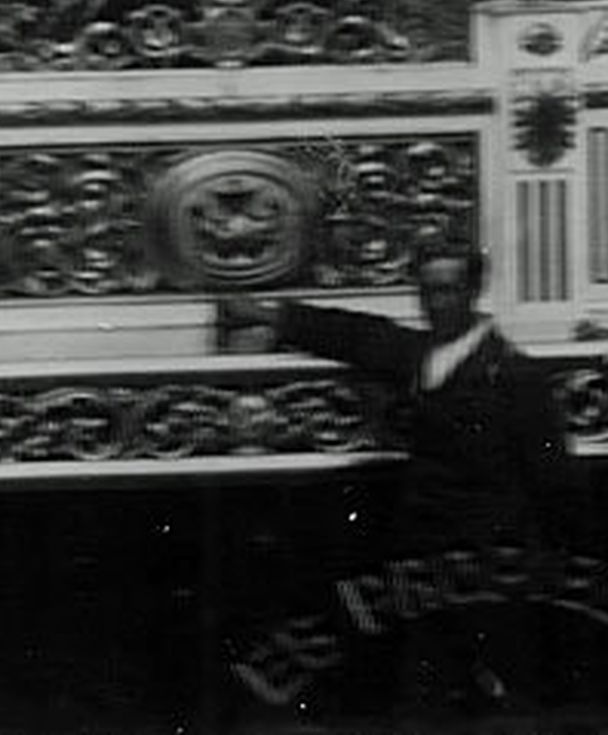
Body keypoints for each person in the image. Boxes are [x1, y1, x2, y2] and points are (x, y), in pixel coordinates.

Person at [239, 237, 568, 711]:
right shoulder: (418, 353)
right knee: (428, 678)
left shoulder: (514, 374)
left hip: (492, 556)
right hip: (424, 552)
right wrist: (268, 314)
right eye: (428, 291)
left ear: (474, 290)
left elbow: (554, 478)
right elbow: (354, 334)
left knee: (498, 684)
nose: (436, 303)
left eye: (449, 290)